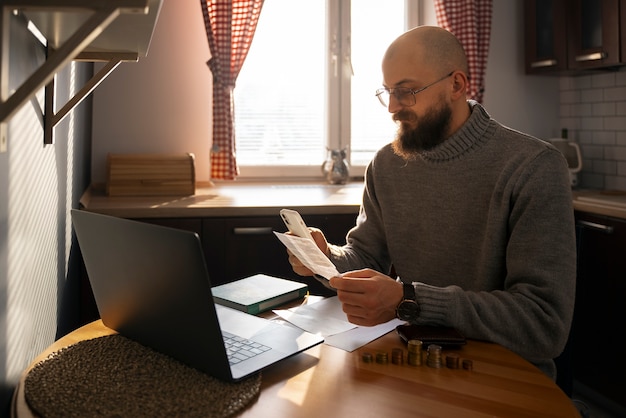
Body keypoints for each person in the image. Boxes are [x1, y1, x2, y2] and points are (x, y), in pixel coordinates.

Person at [287, 26, 576, 380]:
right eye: (388, 92)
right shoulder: (386, 164)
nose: (393, 107)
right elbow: (365, 259)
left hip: (507, 377)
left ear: (456, 85)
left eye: (406, 91)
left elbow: (543, 325)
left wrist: (407, 299)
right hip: (415, 365)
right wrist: (325, 257)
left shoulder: (533, 166)